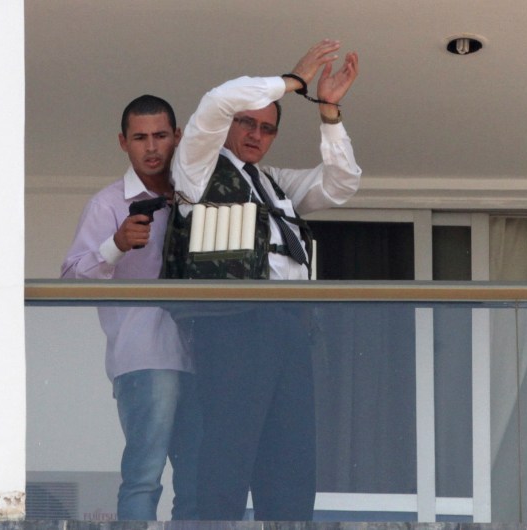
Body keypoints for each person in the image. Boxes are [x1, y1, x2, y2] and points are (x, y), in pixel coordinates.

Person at [167, 39, 361, 521]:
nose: (256, 134)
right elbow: (216, 101)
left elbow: (340, 184)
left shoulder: (273, 182)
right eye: (247, 123)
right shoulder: (197, 167)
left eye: (267, 128)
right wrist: (291, 82)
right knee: (228, 449)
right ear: (230, 126)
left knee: (291, 456)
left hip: (291, 326)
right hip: (233, 324)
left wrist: (329, 113)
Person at [61, 95, 201, 521]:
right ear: (123, 142)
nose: (152, 147)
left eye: (160, 135)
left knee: (200, 481)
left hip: (204, 354)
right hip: (145, 357)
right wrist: (116, 244)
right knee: (144, 475)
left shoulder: (198, 196)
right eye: (140, 138)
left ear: (178, 136)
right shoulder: (108, 204)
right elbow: (70, 281)